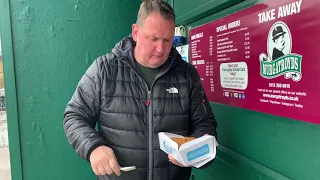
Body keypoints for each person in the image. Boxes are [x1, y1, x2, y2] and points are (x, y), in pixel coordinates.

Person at [63, 0, 218, 180]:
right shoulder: (104, 69)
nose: (161, 49)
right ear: (136, 32)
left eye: (167, 40)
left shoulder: (187, 74)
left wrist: (195, 152)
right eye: (153, 39)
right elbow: (74, 116)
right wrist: (93, 147)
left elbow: (205, 125)